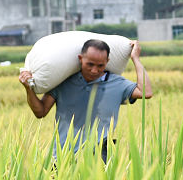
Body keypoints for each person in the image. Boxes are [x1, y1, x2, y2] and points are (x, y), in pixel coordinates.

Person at [18, 38, 151, 163]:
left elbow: (146, 92)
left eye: (100, 66)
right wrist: (28, 89)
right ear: (80, 59)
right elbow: (40, 112)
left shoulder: (117, 84)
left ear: (107, 62)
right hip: (61, 157)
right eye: (90, 64)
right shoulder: (63, 82)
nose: (94, 70)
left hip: (99, 158)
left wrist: (135, 59)